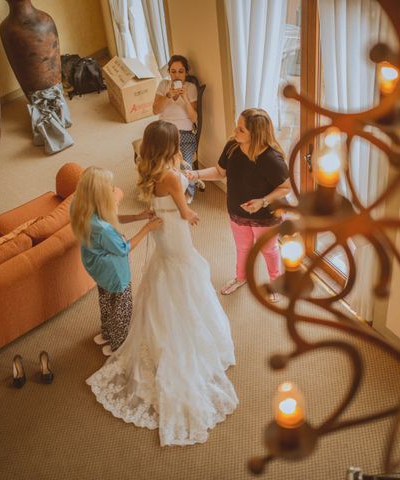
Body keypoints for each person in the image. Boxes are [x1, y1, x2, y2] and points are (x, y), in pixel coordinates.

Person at [86, 120, 238, 446]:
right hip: (176, 233)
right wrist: (193, 215)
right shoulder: (171, 176)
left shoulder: (151, 170)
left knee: (167, 272)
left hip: (162, 234)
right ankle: (184, 333)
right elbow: (185, 210)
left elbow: (158, 203)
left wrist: (186, 178)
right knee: (188, 271)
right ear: (169, 146)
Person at [188, 108, 291, 302]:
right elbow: (220, 172)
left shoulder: (272, 159)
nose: (235, 131)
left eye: (241, 129)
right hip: (237, 210)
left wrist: (263, 201)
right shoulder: (232, 146)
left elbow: (286, 187)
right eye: (237, 125)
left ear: (256, 134)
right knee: (243, 247)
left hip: (266, 217)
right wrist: (197, 175)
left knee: (268, 249)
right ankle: (241, 277)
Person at [70, 167, 163, 355]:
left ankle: (106, 333)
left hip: (96, 268)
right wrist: (147, 228)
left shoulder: (78, 208)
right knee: (122, 308)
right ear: (101, 196)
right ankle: (118, 346)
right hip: (115, 273)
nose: (115, 190)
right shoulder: (104, 229)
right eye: (111, 189)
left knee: (106, 301)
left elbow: (110, 218)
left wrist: (137, 216)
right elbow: (123, 249)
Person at [152, 54, 203, 203]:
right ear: (169, 72)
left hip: (185, 135)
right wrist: (168, 96)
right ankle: (160, 190)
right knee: (159, 163)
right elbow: (155, 110)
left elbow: (194, 118)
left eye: (181, 71)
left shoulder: (191, 88)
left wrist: (185, 98)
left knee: (185, 167)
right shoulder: (163, 85)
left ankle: (187, 193)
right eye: (173, 71)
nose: (177, 75)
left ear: (186, 72)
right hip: (164, 132)